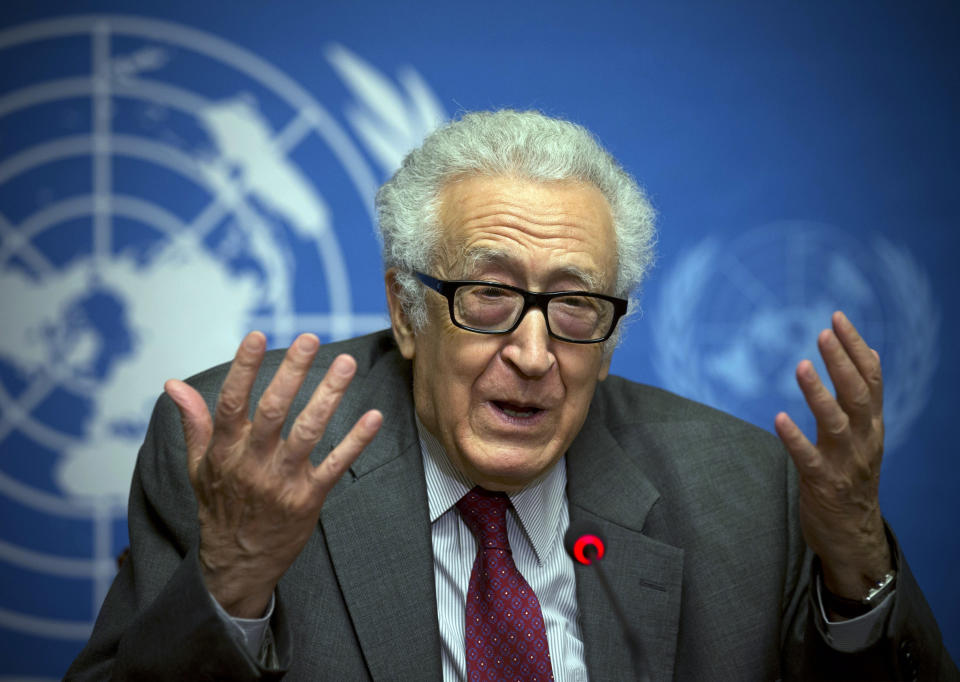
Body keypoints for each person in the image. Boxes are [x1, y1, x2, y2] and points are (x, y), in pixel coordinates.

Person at [67, 110, 956, 680]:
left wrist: (857, 567)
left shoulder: (744, 490)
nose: (534, 353)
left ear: (610, 335)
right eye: (489, 296)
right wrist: (232, 584)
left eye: (575, 305)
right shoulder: (247, 459)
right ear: (408, 311)